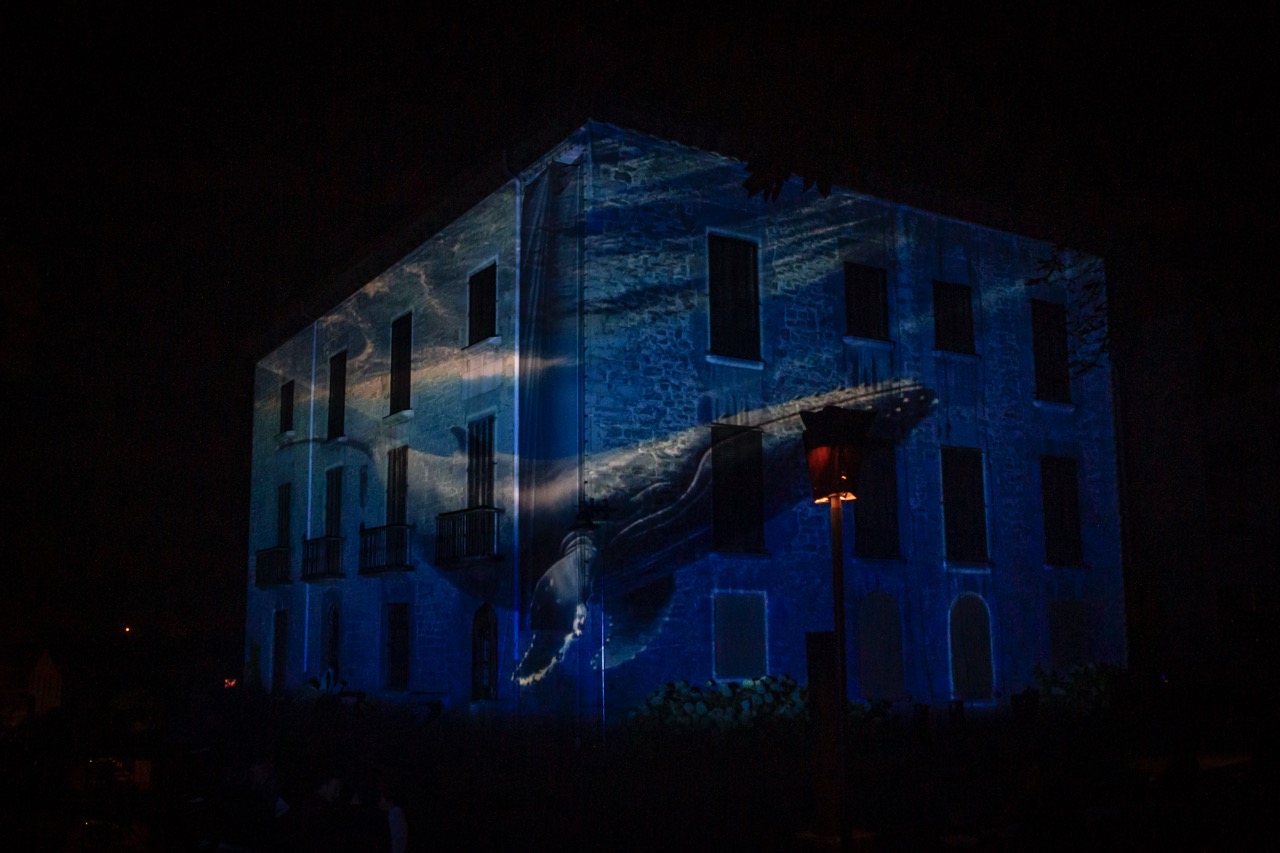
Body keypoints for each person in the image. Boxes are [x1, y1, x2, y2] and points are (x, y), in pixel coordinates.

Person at [379, 785, 408, 853]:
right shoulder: (395, 813)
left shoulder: (395, 813)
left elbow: (397, 838)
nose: (379, 801)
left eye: (381, 798)